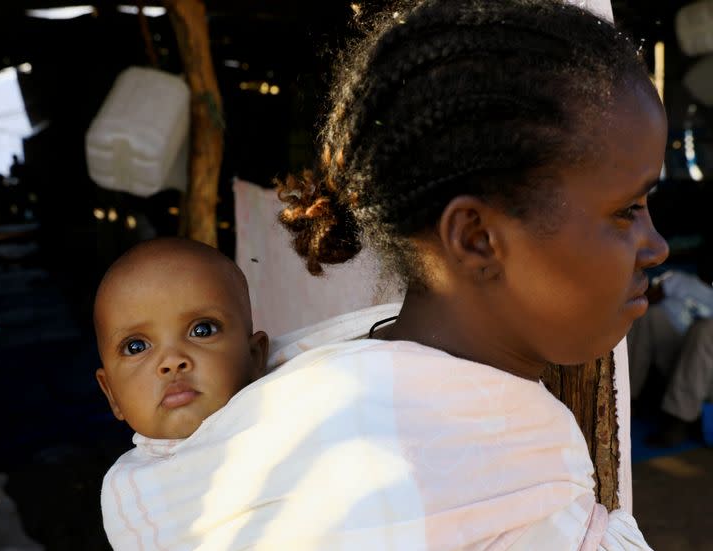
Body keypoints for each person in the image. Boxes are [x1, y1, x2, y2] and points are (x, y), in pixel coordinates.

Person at [98, 1, 666, 549]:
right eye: (627, 210)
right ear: (475, 237)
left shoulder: (340, 382)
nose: (657, 247)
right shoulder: (474, 451)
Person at [93, 238, 269, 545]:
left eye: (202, 330)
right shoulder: (127, 491)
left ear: (254, 356)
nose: (172, 361)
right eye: (136, 347)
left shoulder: (293, 414)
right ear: (111, 394)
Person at [628, 270, 713, 446]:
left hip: (705, 377)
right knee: (651, 315)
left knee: (705, 330)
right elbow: (644, 299)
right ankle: (627, 397)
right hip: (676, 358)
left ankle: (678, 419)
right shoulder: (679, 279)